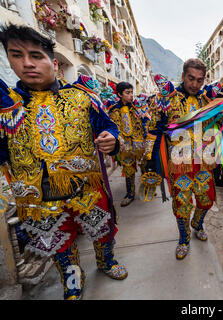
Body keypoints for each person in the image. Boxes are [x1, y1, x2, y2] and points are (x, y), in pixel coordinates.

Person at [0, 24, 128, 300]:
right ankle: (73, 280)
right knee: (58, 245)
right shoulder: (7, 106)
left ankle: (106, 263)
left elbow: (109, 127)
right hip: (38, 196)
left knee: (102, 231)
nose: (27, 64)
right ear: (8, 60)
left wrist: (112, 139)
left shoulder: (82, 98)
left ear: (54, 63)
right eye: (16, 55)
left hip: (87, 188)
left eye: (36, 56)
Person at [147, 59, 221, 260]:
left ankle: (197, 224)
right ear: (182, 76)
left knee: (207, 200)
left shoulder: (208, 100)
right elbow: (153, 130)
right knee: (182, 203)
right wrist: (150, 161)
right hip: (179, 164)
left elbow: (221, 121)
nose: (195, 84)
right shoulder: (168, 99)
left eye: (199, 80)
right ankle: (184, 238)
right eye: (191, 79)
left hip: (204, 162)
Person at [107, 82, 146, 207]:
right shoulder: (113, 110)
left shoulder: (137, 107)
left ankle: (146, 187)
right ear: (119, 94)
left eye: (131, 92)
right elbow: (113, 127)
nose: (131, 96)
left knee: (144, 166)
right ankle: (130, 193)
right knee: (129, 169)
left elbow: (145, 122)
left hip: (140, 142)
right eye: (127, 93)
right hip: (125, 144)